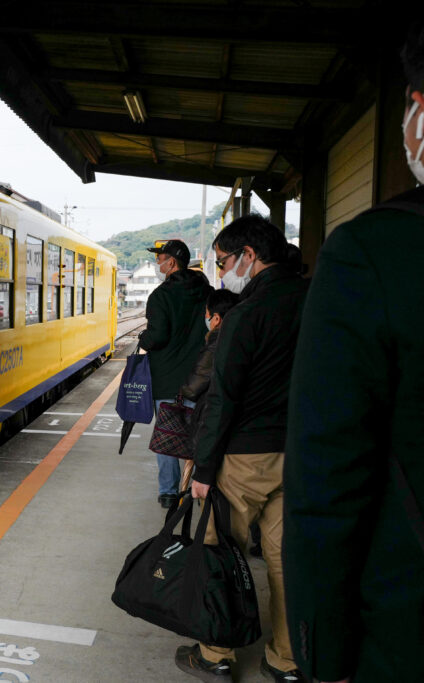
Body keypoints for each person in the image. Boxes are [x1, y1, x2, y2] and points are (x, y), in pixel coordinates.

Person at [282, 23, 424, 683]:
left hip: (402, 635)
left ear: (417, 113)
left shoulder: (373, 253)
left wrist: (323, 652)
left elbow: (326, 479)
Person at [175, 216, 308, 683]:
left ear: (250, 255)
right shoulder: (315, 300)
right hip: (302, 456)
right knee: (286, 561)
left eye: (225, 261)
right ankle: (287, 659)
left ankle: (216, 653)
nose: (224, 271)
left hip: (244, 458)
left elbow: (223, 396)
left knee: (220, 553)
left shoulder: (247, 315)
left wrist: (204, 467)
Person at [138, 239, 211, 508]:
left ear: (172, 262)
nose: (158, 263)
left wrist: (144, 337)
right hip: (201, 376)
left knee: (167, 435)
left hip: (168, 379)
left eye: (161, 258)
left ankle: (169, 492)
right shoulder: (207, 292)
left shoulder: (161, 296)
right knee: (201, 433)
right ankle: (198, 485)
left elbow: (157, 337)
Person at [177, 289, 239, 486]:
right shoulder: (239, 336)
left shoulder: (215, 345)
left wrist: (182, 390)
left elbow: (193, 387)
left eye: (207, 314)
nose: (206, 318)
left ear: (217, 318)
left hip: (212, 416)